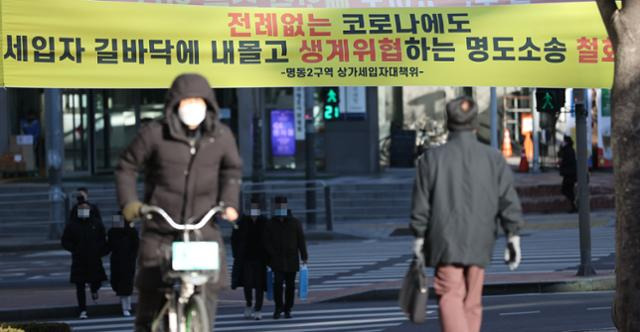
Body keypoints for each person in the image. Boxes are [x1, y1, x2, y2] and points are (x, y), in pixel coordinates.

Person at [115, 73, 243, 332]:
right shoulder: (154, 134)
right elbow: (126, 167)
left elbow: (232, 170)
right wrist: (131, 203)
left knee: (209, 286)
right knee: (151, 289)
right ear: (175, 104)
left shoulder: (221, 136)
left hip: (203, 225)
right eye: (187, 101)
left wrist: (228, 203)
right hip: (162, 225)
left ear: (209, 104)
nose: (193, 106)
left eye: (199, 100)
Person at [410, 96, 525, 332]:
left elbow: (421, 204)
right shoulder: (493, 158)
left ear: (448, 122)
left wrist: (419, 237)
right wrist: (513, 236)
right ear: (474, 124)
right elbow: (508, 200)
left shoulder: (431, 159)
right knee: (473, 300)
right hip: (480, 237)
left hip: (444, 239)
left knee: (450, 295)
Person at [61, 188, 109, 319]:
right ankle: (82, 309)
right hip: (79, 259)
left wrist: (101, 250)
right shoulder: (72, 225)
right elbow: (65, 241)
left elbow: (102, 238)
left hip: (94, 257)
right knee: (80, 285)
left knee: (96, 280)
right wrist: (75, 249)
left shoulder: (96, 223)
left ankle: (94, 290)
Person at [263, 196, 308, 319]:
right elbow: (266, 241)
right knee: (277, 284)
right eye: (278, 206)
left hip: (291, 258)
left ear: (286, 206)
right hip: (276, 260)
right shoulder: (270, 223)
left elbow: (301, 240)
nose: (280, 208)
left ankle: (288, 309)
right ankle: (278, 308)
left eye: (282, 205)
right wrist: (270, 255)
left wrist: (304, 256)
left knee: (290, 286)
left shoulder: (295, 222)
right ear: (274, 207)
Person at [231, 196, 268, 320]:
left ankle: (258, 308)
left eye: (256, 208)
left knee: (259, 285)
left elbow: (271, 238)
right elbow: (234, 238)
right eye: (252, 208)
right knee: (247, 283)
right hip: (245, 258)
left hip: (261, 258)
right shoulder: (242, 222)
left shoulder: (264, 221)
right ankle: (248, 304)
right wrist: (236, 253)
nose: (254, 210)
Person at [107, 212, 139, 317]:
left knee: (126, 283)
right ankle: (125, 304)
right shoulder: (112, 232)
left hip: (127, 260)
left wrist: (133, 256)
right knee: (117, 282)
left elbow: (136, 246)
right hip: (117, 260)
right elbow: (108, 246)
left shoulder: (131, 232)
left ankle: (126, 307)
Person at [558, 135, 578, 213]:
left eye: (564, 141)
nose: (563, 143)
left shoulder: (568, 150)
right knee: (567, 190)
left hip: (570, 174)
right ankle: (573, 205)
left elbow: (565, 161)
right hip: (569, 174)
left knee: (566, 189)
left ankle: (574, 205)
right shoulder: (567, 149)